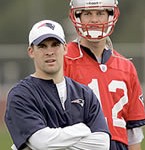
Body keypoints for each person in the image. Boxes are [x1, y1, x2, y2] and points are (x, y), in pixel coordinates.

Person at [4, 20, 110, 150]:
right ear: (31, 51)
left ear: (65, 48)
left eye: (55, 45)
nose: (49, 52)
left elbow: (102, 144)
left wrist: (51, 143)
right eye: (42, 46)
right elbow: (42, 142)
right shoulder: (21, 95)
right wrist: (82, 129)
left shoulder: (85, 93)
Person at [64, 0, 145, 150]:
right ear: (77, 17)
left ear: (110, 15)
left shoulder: (125, 66)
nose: (95, 19)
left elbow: (133, 132)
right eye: (88, 13)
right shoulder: (64, 60)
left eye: (100, 13)